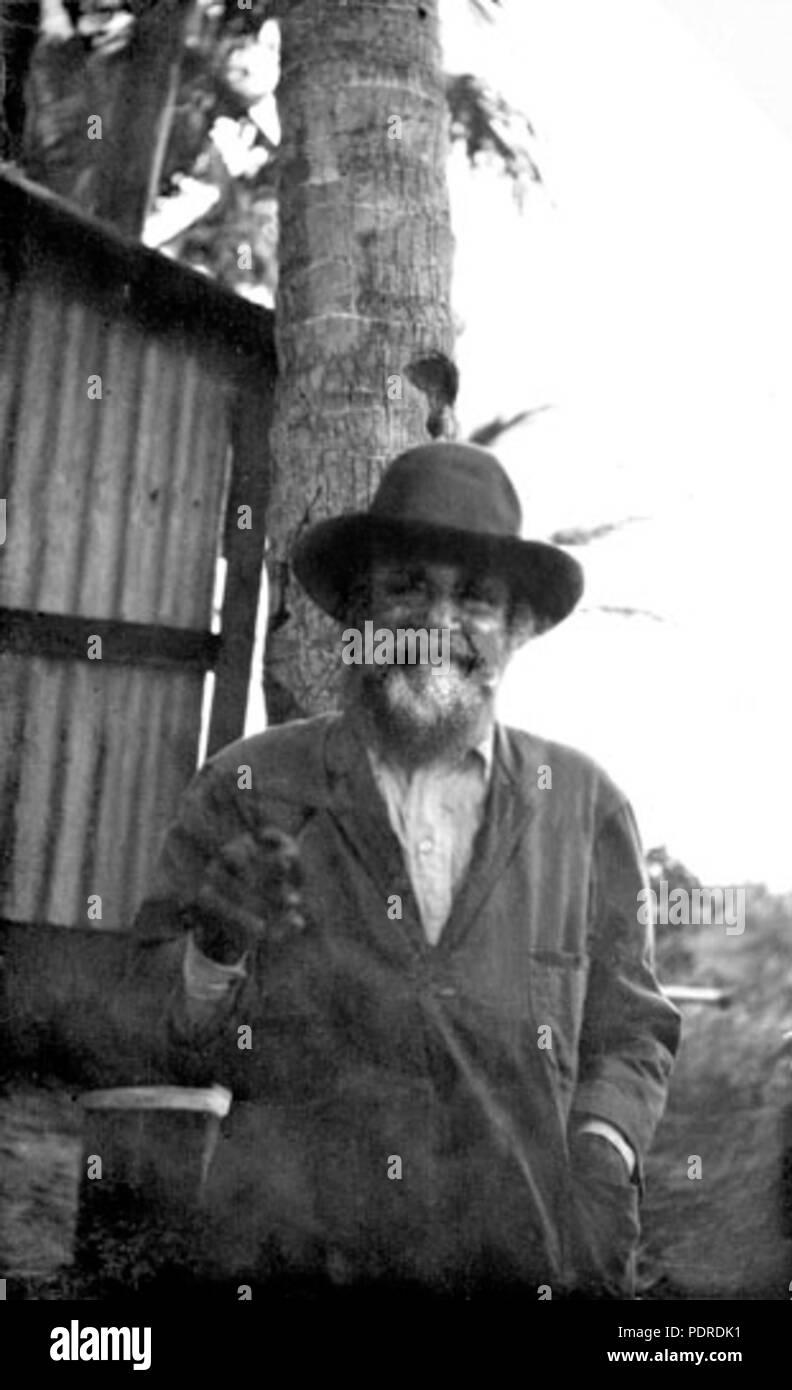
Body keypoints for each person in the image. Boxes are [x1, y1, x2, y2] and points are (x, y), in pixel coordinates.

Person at [128, 440, 681, 1298]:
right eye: (407, 588)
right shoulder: (249, 787)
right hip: (290, 1262)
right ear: (357, 612)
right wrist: (215, 953)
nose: (438, 623)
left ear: (520, 631)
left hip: (514, 1266)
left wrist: (603, 1160)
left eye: (477, 598)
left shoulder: (583, 806)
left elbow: (633, 1029)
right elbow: (150, 1030)